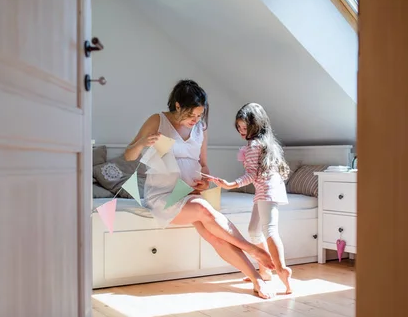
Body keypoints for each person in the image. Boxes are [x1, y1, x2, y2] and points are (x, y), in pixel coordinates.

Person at [124, 80, 276, 299]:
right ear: (177, 106)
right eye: (191, 115)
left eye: (199, 115)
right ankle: (252, 249)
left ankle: (257, 279)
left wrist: (205, 182)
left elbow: (203, 163)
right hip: (164, 195)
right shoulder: (158, 121)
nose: (195, 120)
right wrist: (143, 143)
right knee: (204, 209)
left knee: (216, 237)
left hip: (192, 192)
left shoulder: (200, 128)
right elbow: (129, 155)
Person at [208, 103, 293, 294]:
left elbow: (251, 175)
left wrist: (230, 184)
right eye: (238, 128)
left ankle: (281, 270)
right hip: (266, 191)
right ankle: (265, 269)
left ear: (256, 125)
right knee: (254, 230)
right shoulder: (265, 144)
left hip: (266, 192)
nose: (241, 131)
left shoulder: (254, 146)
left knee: (269, 230)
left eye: (244, 128)